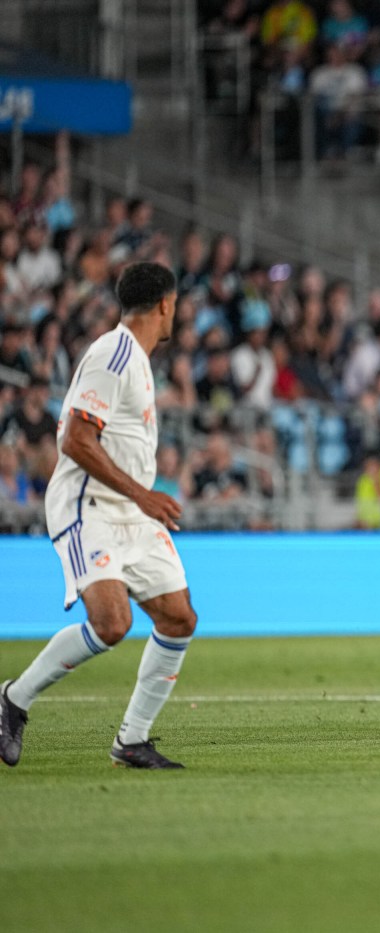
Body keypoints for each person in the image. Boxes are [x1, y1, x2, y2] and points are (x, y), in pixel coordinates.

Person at [0, 263, 196, 770]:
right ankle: (13, 699)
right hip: (89, 507)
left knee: (178, 617)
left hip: (130, 510)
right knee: (112, 623)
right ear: (165, 305)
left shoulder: (137, 361)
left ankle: (132, 741)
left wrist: (139, 499)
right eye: (175, 305)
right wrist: (144, 494)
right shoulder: (114, 354)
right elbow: (75, 440)